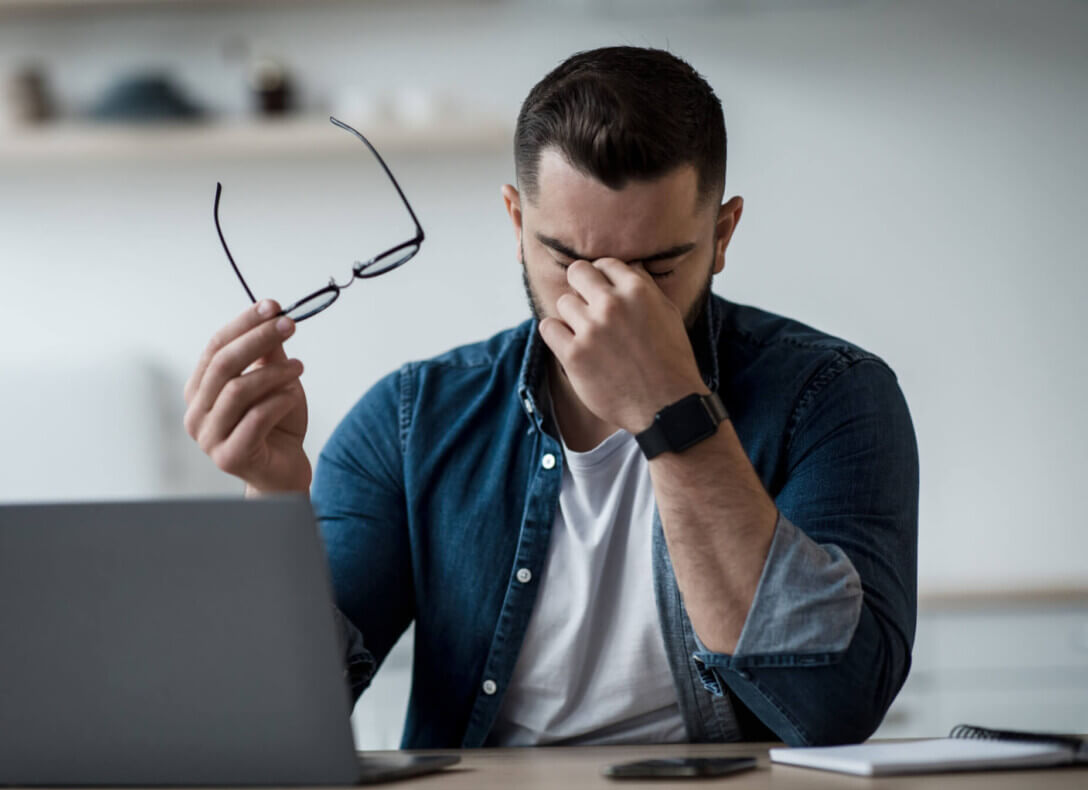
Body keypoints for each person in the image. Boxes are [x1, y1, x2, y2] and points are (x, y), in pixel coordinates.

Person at [182, 46, 919, 749]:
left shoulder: (832, 398)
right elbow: (270, 718)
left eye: (655, 268)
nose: (606, 300)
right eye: (567, 258)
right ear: (516, 224)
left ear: (721, 234)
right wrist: (272, 496)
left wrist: (672, 410)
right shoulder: (412, 422)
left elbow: (834, 706)